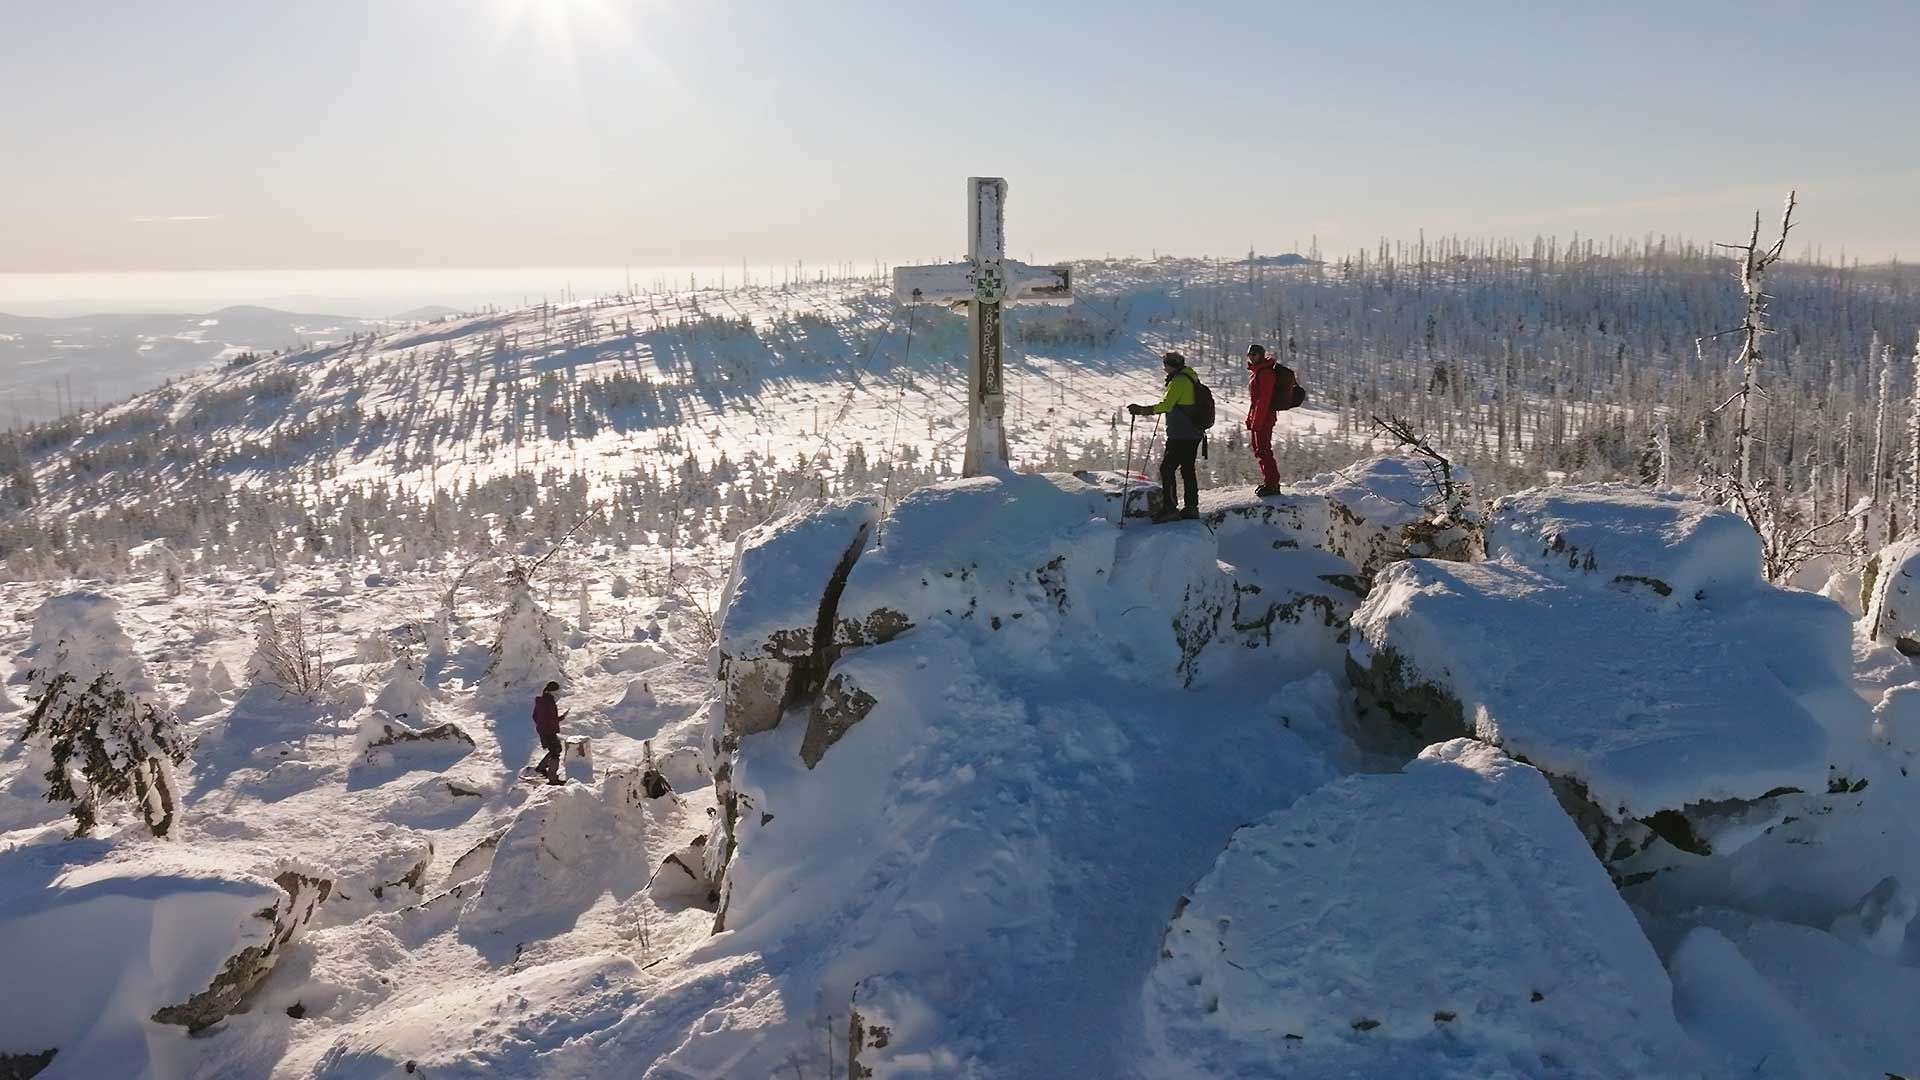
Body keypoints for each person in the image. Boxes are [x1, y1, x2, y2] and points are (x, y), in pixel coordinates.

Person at [1128, 351, 1203, 522]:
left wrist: (1141, 410)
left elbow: (1167, 405)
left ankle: (1170, 508)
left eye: (1165, 365)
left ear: (1170, 365)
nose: (1164, 368)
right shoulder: (1191, 377)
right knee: (1187, 469)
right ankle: (1191, 507)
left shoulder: (1178, 381)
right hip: (1193, 432)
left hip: (1180, 434)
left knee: (1167, 468)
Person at [1244, 343, 1292, 496]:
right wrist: (1250, 418)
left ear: (1261, 355)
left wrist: (1257, 421)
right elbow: (1256, 401)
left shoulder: (1265, 373)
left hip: (1264, 417)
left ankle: (1272, 484)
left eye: (1254, 354)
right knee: (1260, 450)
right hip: (1260, 417)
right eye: (1249, 355)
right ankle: (1269, 482)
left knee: (1264, 450)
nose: (1251, 357)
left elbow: (1264, 400)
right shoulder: (1258, 371)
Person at [532, 680, 568, 784]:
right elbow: (550, 719)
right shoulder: (548, 702)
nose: (557, 694)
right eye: (556, 692)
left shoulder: (542, 701)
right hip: (548, 731)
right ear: (551, 691)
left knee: (556, 749)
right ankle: (553, 779)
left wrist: (540, 725)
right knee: (555, 751)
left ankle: (541, 768)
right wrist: (561, 718)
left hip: (544, 730)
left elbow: (535, 716)